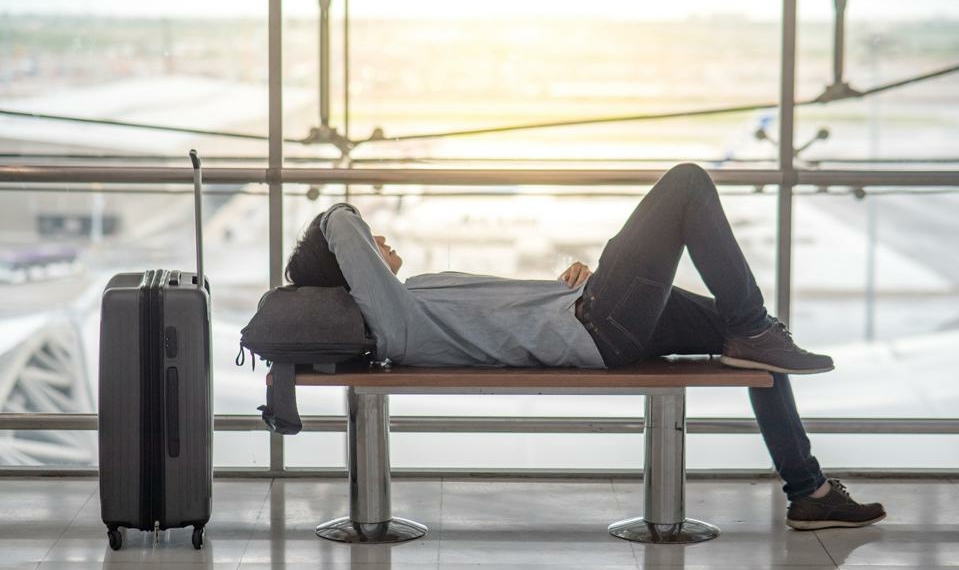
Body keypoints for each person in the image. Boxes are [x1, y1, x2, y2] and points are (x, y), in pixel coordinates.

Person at [285, 162, 885, 530]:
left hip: (593, 308)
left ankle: (811, 493)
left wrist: (563, 282)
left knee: (752, 334)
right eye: (371, 240)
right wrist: (330, 222)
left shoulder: (416, 290)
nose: (378, 237)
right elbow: (340, 224)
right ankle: (755, 329)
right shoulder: (396, 323)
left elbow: (509, 317)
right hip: (600, 329)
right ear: (350, 270)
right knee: (687, 184)